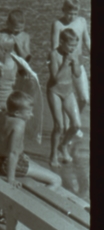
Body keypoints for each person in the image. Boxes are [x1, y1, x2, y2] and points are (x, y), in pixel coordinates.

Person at [0, 92, 59, 189]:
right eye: (29, 112)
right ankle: (36, 202)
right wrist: (11, 179)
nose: (32, 115)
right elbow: (13, 153)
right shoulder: (19, 124)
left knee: (33, 163)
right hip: (5, 166)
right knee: (56, 180)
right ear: (17, 113)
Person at [46, 28, 86, 167]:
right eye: (70, 45)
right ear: (61, 42)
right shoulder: (53, 55)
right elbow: (55, 78)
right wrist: (65, 62)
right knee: (59, 126)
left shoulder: (74, 54)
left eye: (74, 46)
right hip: (55, 91)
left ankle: (62, 146)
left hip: (68, 91)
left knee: (76, 125)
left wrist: (75, 63)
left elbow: (76, 74)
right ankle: (53, 155)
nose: (72, 48)